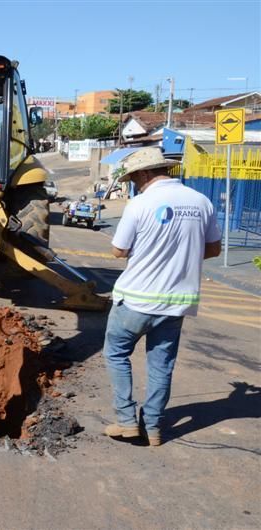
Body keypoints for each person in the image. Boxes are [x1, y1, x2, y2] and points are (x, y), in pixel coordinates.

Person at [102, 147, 221, 446]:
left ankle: (127, 421)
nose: (133, 183)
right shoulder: (201, 201)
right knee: (161, 366)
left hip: (136, 298)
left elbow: (118, 250)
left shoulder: (140, 203)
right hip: (177, 303)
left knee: (116, 354)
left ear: (145, 173)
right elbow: (213, 249)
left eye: (133, 178)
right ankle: (153, 428)